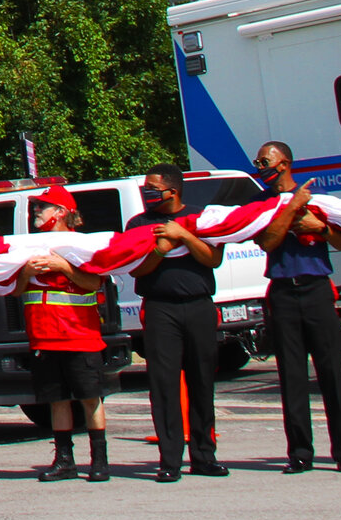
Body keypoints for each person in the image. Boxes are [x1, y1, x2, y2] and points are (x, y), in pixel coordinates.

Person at [253, 142, 341, 474]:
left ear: (284, 163)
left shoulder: (315, 198)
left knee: (332, 374)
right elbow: (267, 241)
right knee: (292, 376)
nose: (261, 167)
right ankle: (300, 452)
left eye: (265, 161)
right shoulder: (262, 203)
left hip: (316, 290)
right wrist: (289, 209)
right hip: (283, 292)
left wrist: (321, 229)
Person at [133, 164, 226, 482]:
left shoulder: (201, 218)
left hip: (198, 306)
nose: (147, 194)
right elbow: (136, 269)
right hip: (161, 310)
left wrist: (184, 234)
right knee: (164, 387)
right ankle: (170, 459)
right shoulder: (139, 223)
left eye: (152, 188)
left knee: (202, 382)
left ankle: (204, 456)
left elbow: (214, 258)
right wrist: (161, 250)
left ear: (172, 191)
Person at [18, 185, 111, 482]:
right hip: (43, 336)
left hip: (79, 334)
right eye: (36, 207)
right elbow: (16, 289)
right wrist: (24, 272)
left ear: (60, 213)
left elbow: (96, 284)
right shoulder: (29, 247)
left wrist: (64, 267)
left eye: (42, 207)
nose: (35, 211)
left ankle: (99, 460)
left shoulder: (81, 245)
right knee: (55, 399)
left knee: (90, 398)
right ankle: (64, 460)